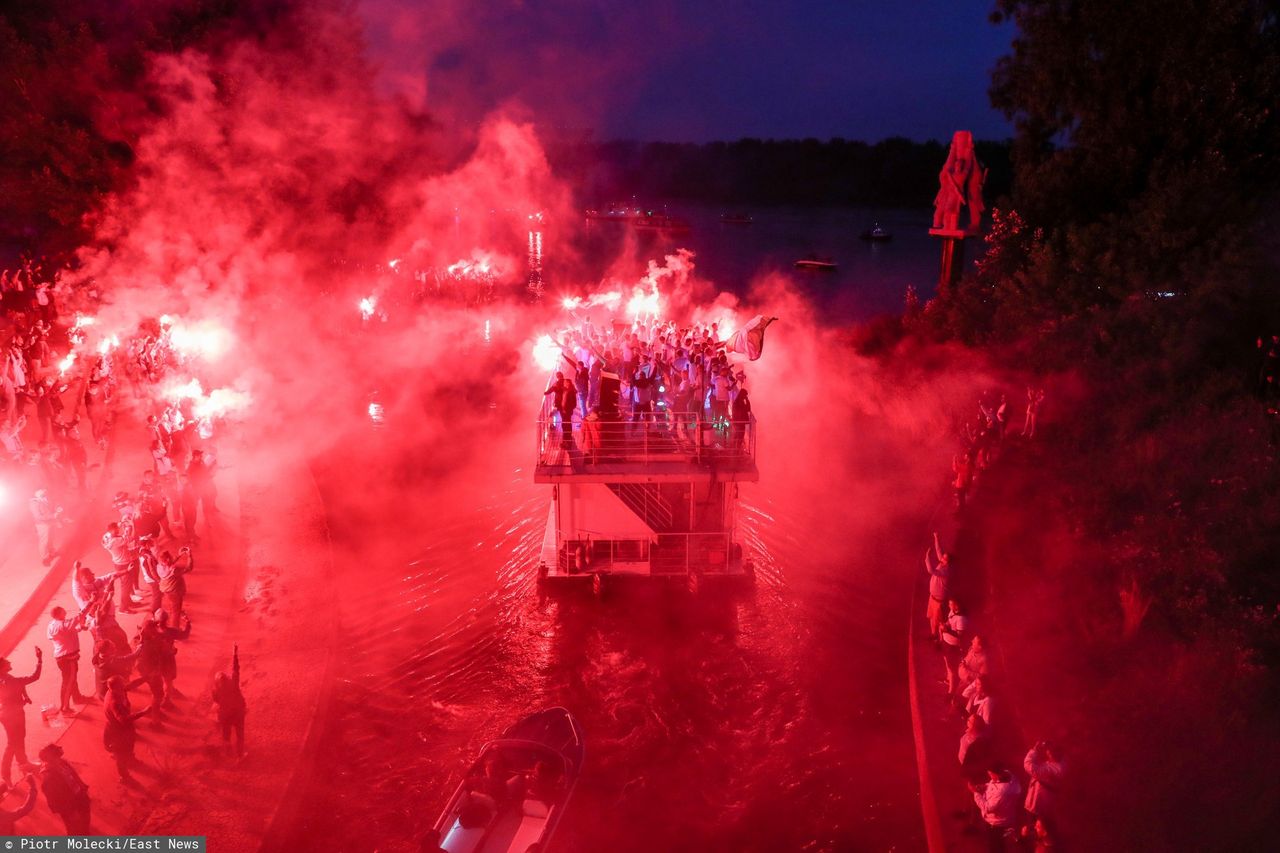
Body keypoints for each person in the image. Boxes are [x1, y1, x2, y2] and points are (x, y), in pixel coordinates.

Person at [0, 649, 42, 786]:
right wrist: (39, 660)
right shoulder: (8, 681)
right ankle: (5, 774)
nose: (10, 661)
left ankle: (23, 763)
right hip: (12, 715)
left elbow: (19, 684)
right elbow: (34, 677)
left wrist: (25, 695)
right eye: (7, 662)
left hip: (9, 713)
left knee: (19, 738)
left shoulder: (5, 678)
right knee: (12, 743)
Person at [102, 676, 148, 783]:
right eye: (122, 684)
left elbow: (130, 685)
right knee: (121, 755)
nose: (124, 685)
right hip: (117, 732)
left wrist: (145, 678)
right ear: (115, 688)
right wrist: (143, 712)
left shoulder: (118, 691)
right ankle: (124, 777)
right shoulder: (113, 702)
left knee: (129, 747)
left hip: (124, 729)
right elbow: (123, 720)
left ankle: (131, 760)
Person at [37, 743, 90, 835]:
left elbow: (73, 775)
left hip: (79, 795)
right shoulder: (49, 777)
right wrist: (70, 812)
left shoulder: (61, 762)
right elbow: (54, 799)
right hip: (69, 806)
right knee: (74, 827)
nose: (60, 755)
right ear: (51, 758)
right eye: (57, 754)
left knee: (85, 818)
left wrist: (82, 787)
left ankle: (85, 832)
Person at [46, 607, 90, 715]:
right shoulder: (63, 624)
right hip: (67, 657)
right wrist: (91, 602)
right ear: (59, 613)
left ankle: (77, 697)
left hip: (62, 657)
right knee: (68, 682)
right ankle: (65, 708)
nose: (65, 611)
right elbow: (79, 617)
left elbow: (67, 631)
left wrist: (80, 627)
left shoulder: (52, 625)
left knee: (71, 679)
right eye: (63, 611)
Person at [968, 765, 1022, 851]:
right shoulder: (1008, 775)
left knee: (996, 847)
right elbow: (993, 784)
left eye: (991, 774)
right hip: (1006, 820)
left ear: (998, 775)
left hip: (997, 825)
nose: (990, 776)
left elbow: (987, 808)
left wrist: (975, 793)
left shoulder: (1001, 792)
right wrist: (985, 786)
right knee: (1002, 845)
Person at [212, 646, 246, 759]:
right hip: (238, 713)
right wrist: (234, 655)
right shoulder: (233, 683)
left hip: (225, 715)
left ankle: (227, 753)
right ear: (227, 678)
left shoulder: (215, 690)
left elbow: (216, 700)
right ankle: (240, 754)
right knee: (240, 734)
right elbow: (235, 670)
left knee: (226, 735)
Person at [1023, 741, 1065, 833]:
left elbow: (1028, 766)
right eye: (1048, 751)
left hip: (1037, 806)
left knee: (1034, 832)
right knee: (1044, 831)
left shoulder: (1053, 769)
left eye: (1051, 752)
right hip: (1043, 806)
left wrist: (1034, 750)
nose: (1048, 753)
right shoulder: (1061, 763)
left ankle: (1037, 845)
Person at [923, 532, 952, 642]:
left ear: (948, 561)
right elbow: (939, 551)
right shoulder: (944, 563)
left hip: (938, 600)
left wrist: (927, 557)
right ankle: (933, 635)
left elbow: (930, 570)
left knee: (938, 621)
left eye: (944, 558)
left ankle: (939, 640)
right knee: (932, 618)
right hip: (933, 597)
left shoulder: (946, 570)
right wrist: (936, 537)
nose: (942, 559)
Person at [940, 599, 970, 699]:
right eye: (949, 603)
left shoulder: (961, 619)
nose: (949, 606)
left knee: (952, 669)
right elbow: (949, 621)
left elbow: (960, 635)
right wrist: (945, 625)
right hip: (946, 642)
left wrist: (946, 630)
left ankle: (951, 692)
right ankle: (949, 681)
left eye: (951, 604)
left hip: (952, 646)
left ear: (957, 605)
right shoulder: (953, 611)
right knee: (947, 664)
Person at [29, 488, 61, 566]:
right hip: (42, 524)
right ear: (36, 492)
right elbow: (38, 516)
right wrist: (52, 516)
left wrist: (57, 508)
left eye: (44, 489)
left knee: (50, 538)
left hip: (49, 522)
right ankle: (45, 558)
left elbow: (52, 505)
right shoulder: (34, 503)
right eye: (41, 490)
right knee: (44, 541)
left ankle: (52, 552)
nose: (44, 491)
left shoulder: (44, 498)